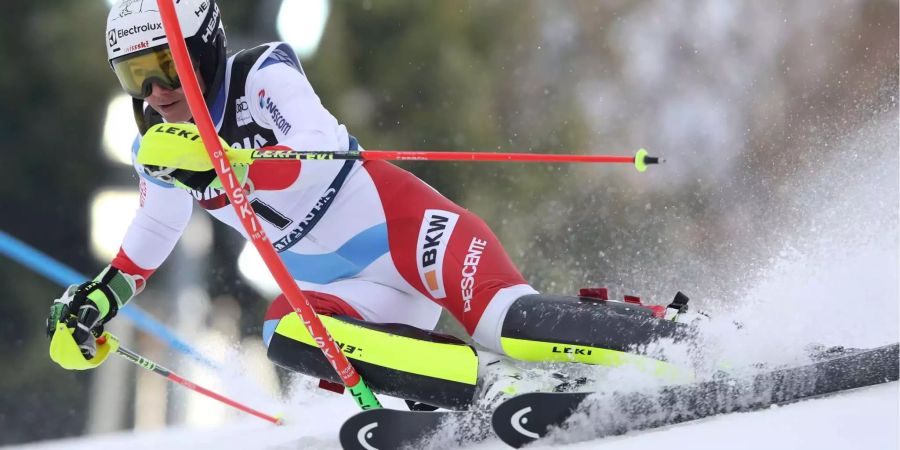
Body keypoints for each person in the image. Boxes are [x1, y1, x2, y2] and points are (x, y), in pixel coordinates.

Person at [47, 0, 697, 410]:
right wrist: (96, 303)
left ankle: (680, 341)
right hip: (352, 294)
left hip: (411, 235)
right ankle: (488, 389)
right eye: (135, 77)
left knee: (511, 323)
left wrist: (228, 162)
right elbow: (156, 225)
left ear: (204, 48)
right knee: (285, 331)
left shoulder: (264, 73)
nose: (156, 91)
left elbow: (309, 148)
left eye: (164, 66)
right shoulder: (154, 147)